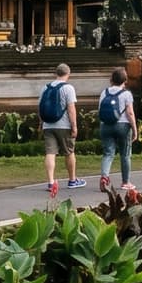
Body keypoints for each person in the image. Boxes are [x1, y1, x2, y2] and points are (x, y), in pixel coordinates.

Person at [39, 62, 85, 191]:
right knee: (69, 152)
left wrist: (41, 122)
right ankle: (72, 180)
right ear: (68, 74)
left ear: (56, 73)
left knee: (50, 153)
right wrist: (74, 126)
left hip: (48, 125)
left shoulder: (45, 88)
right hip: (64, 125)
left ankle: (51, 182)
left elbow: (40, 107)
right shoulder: (68, 88)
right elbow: (71, 109)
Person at [95, 67, 138, 192]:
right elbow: (130, 113)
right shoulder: (126, 94)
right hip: (123, 126)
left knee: (108, 153)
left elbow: (100, 110)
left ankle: (104, 177)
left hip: (105, 125)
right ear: (125, 80)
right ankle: (126, 182)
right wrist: (135, 129)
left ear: (112, 79)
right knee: (125, 155)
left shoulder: (104, 92)